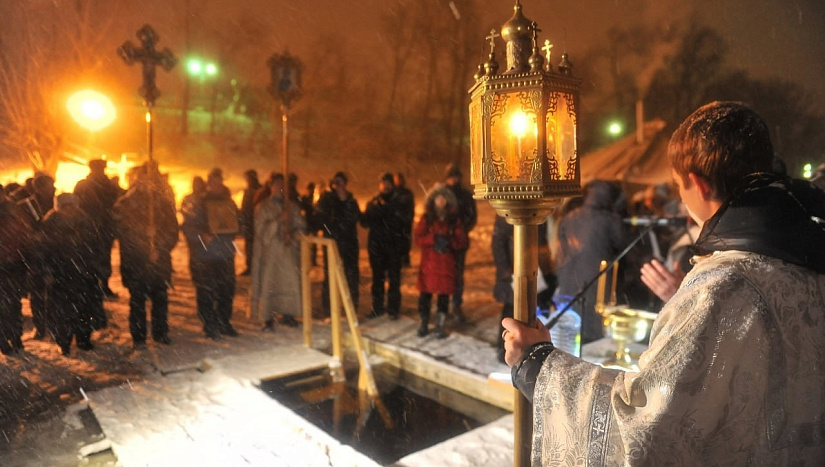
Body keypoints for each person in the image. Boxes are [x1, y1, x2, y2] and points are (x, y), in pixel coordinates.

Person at [503, 101, 825, 464]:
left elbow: (644, 432)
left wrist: (536, 363)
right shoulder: (806, 257)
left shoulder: (720, 288)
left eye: (676, 184)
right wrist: (683, 299)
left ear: (697, 185)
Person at [114, 163, 179, 348]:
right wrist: (144, 239)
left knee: (160, 298)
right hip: (136, 263)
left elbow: (173, 230)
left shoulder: (163, 203)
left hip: (159, 261)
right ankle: (139, 337)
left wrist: (159, 247)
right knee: (137, 301)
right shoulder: (125, 203)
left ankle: (160, 332)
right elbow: (122, 232)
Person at [554, 179, 627, 344]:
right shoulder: (610, 220)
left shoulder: (570, 217)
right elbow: (623, 244)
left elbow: (562, 249)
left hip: (570, 277)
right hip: (597, 279)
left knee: (574, 322)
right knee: (594, 326)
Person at [182, 168, 239, 340]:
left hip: (225, 253)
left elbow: (239, 224)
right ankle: (209, 325)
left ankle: (224, 322)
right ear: (208, 184)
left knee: (226, 290)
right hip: (205, 256)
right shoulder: (199, 203)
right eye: (214, 182)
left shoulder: (229, 203)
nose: (217, 185)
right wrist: (201, 236)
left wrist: (233, 227)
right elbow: (187, 227)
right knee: (206, 291)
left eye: (219, 182)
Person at [40, 193, 100, 356]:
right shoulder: (50, 224)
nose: (69, 210)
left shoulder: (85, 222)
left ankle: (83, 338)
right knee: (61, 311)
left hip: (83, 272)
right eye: (65, 207)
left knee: (84, 308)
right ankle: (63, 341)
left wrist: (94, 267)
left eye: (71, 206)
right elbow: (44, 250)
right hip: (60, 274)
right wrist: (47, 271)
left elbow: (94, 246)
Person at [249, 173, 306, 330]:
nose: (280, 187)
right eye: (276, 184)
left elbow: (301, 226)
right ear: (270, 186)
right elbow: (261, 230)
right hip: (271, 254)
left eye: (282, 184)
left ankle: (288, 313)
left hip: (287, 254)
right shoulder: (262, 207)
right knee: (270, 283)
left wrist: (293, 234)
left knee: (289, 281)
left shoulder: (292, 206)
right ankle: (267, 317)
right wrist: (277, 221)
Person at [415, 184, 467, 338]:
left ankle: (440, 325)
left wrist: (449, 242)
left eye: (443, 197)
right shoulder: (427, 218)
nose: (440, 201)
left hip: (446, 265)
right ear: (433, 200)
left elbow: (462, 241)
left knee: (443, 297)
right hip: (429, 264)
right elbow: (418, 238)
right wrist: (433, 239)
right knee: (425, 295)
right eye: (438, 197)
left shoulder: (453, 220)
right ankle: (423, 324)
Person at [361, 172, 406, 320]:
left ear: (392, 185)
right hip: (377, 247)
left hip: (394, 247)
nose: (385, 186)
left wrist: (404, 249)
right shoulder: (373, 202)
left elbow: (403, 223)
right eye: (383, 183)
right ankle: (377, 307)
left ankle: (393, 309)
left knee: (394, 280)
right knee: (377, 279)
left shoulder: (400, 201)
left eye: (388, 183)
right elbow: (365, 223)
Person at [74, 159, 121, 302]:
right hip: (92, 228)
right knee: (95, 257)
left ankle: (99, 285)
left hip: (101, 227)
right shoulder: (88, 185)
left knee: (100, 257)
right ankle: (96, 286)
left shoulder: (105, 185)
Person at [315, 172, 361, 313]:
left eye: (342, 182)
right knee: (330, 276)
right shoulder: (327, 199)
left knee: (351, 276)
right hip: (332, 243)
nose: (339, 185)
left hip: (350, 244)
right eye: (337, 182)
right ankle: (329, 308)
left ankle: (351, 307)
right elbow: (320, 219)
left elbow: (355, 218)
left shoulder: (351, 201)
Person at [18, 173, 55, 340]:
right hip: (34, 256)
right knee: (38, 293)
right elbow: (21, 231)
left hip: (55, 254)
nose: (53, 188)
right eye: (49, 186)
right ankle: (40, 327)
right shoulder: (26, 206)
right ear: (39, 188)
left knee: (56, 293)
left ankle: (54, 326)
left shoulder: (57, 204)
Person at [0, 185, 33, 355]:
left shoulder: (14, 211)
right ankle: (5, 340)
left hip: (13, 265)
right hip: (9, 264)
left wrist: (24, 257)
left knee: (13, 304)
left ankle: (15, 337)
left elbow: (23, 235)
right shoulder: (15, 210)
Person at [444, 163, 476, 322]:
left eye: (456, 177)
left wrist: (461, 229)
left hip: (459, 241)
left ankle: (456, 304)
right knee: (444, 273)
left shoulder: (465, 195)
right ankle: (444, 305)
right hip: (444, 242)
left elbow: (472, 216)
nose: (454, 180)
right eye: (451, 177)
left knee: (457, 274)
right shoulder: (442, 194)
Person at [239, 169, 261, 276]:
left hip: (255, 223)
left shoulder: (258, 191)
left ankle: (254, 267)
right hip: (249, 223)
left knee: (254, 247)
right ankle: (250, 266)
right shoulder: (248, 191)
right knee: (249, 246)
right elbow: (245, 208)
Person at [394, 172, 415, 267]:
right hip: (396, 222)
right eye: (397, 179)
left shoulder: (407, 193)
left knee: (405, 241)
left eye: (400, 179)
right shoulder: (393, 192)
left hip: (406, 221)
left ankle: (405, 259)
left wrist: (409, 217)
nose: (399, 181)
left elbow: (411, 206)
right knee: (396, 241)